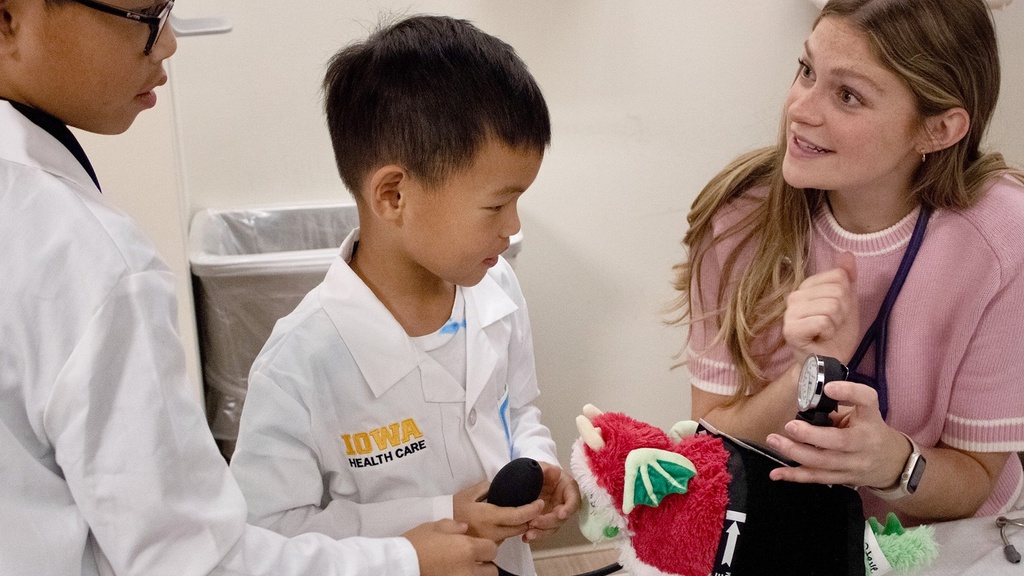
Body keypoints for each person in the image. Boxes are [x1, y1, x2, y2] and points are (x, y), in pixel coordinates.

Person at [0, 1, 499, 575]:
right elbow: (201, 560)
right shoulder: (89, 261)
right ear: (11, 17)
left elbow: (516, 409)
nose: (167, 44)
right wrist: (405, 559)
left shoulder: (495, 293)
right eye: (144, 15)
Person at [227, 14, 580, 576]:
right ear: (393, 195)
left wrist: (536, 466)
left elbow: (519, 407)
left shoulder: (496, 289)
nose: (512, 226)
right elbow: (269, 538)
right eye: (496, 204)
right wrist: (431, 523)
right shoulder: (300, 363)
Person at [671, 0, 1024, 526]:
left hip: (952, 537)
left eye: (848, 95)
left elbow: (975, 478)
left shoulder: (1001, 234)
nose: (801, 109)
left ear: (939, 129)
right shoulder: (740, 215)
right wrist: (805, 376)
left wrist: (890, 463)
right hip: (785, 529)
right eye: (806, 70)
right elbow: (709, 439)